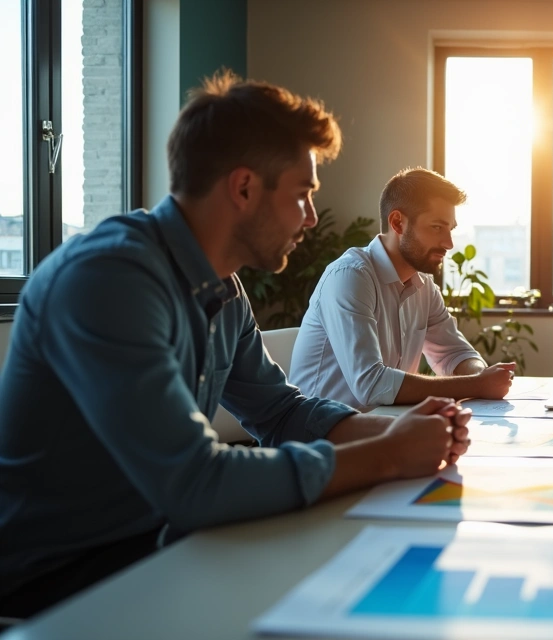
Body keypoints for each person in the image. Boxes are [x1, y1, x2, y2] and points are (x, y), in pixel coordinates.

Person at [0, 72, 471, 618]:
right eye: (302, 195)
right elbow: (195, 481)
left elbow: (281, 411)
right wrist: (389, 454)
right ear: (244, 188)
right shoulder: (109, 280)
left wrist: (398, 428)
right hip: (62, 588)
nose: (312, 218)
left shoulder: (223, 286)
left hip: (160, 549)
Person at [290, 168, 514, 412]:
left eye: (451, 229)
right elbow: (372, 384)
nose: (449, 243)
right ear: (398, 223)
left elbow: (455, 354)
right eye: (437, 227)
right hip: (319, 440)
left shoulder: (424, 286)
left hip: (382, 431)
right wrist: (477, 385)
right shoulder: (350, 276)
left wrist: (482, 375)